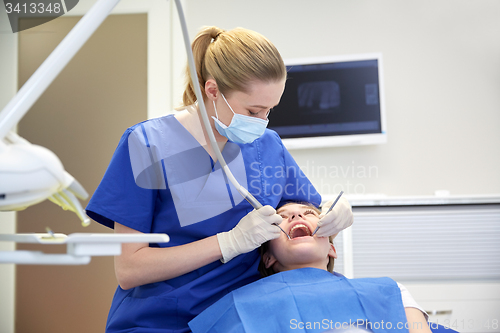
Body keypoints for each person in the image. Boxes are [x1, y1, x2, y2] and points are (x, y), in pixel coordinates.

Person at [85, 26, 354, 333]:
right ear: (212, 90)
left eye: (269, 110)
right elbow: (130, 269)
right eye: (252, 110)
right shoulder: (147, 144)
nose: (262, 121)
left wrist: (336, 208)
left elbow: (305, 212)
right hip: (161, 322)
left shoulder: (268, 145)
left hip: (246, 319)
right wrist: (228, 243)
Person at [188, 202, 432, 333]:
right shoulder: (237, 306)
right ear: (268, 258)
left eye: (308, 213)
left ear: (331, 249)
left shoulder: (389, 290)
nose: (296, 217)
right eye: (282, 217)